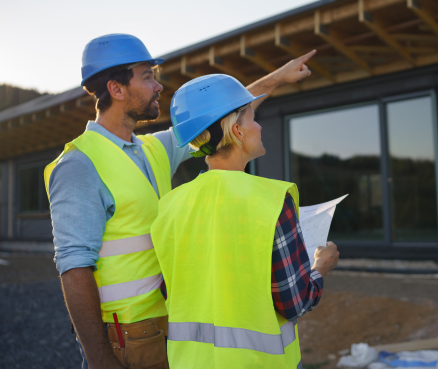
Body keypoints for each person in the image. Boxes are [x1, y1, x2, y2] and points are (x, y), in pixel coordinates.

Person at [44, 33, 317, 369]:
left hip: (169, 326)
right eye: (147, 77)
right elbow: (73, 266)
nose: (158, 87)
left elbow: (219, 119)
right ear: (116, 89)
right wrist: (99, 357)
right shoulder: (79, 164)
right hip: (126, 336)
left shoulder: (153, 149)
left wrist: (278, 77)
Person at [150, 74, 340, 368]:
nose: (260, 126)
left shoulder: (170, 205)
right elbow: (296, 302)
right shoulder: (273, 199)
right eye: (254, 118)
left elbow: (170, 290)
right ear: (237, 131)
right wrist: (321, 267)